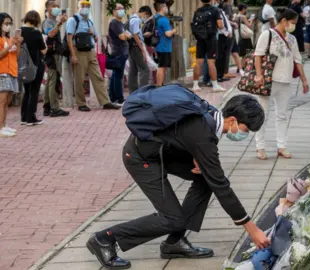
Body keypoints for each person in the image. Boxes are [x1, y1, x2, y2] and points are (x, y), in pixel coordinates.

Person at [86, 93, 270, 269]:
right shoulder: (203, 132)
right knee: (172, 219)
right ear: (232, 120)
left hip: (160, 152)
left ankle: (175, 242)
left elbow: (185, 136)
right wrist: (252, 229)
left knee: (206, 179)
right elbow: (221, 185)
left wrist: (196, 155)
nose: (244, 135)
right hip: (141, 158)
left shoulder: (211, 115)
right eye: (245, 130)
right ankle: (105, 238)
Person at [254, 8, 310, 160]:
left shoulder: (292, 39)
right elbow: (257, 56)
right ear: (284, 21)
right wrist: (259, 76)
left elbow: (298, 60)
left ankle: (282, 146)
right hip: (268, 81)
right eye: (292, 23)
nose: (294, 26)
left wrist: (304, 80)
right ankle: (260, 147)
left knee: (282, 115)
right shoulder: (268, 34)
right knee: (262, 114)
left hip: (285, 82)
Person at [66, 0, 120, 112]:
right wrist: (73, 55)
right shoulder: (73, 20)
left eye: (87, 6)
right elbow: (69, 38)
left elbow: (95, 38)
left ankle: (105, 101)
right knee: (79, 78)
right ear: (78, 7)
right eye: (83, 6)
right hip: (79, 52)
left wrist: (92, 34)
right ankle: (81, 103)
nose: (85, 8)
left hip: (90, 51)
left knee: (98, 77)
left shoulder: (89, 22)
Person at [42, 0, 70, 117]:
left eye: (58, 6)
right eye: (54, 6)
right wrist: (59, 24)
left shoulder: (53, 21)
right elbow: (51, 34)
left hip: (55, 53)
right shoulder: (48, 22)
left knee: (50, 80)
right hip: (51, 54)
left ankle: (47, 106)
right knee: (54, 80)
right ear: (48, 8)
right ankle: (54, 107)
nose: (57, 8)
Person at [192, 0, 225, 92]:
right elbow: (220, 25)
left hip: (200, 39)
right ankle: (215, 85)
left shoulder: (197, 11)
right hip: (211, 38)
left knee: (199, 62)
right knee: (211, 62)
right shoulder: (215, 10)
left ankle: (195, 85)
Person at [21, 10, 47, 126]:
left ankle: (23, 117)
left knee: (26, 91)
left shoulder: (19, 31)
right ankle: (31, 118)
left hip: (23, 65)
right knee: (34, 91)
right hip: (36, 65)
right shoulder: (36, 33)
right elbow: (43, 50)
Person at [0, 13, 22, 137]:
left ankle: (3, 124)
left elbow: (16, 56)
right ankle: (0, 127)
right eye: (5, 23)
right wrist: (10, 46)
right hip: (2, 72)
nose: (8, 26)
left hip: (12, 72)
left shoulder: (9, 39)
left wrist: (17, 43)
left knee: (7, 101)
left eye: (10, 24)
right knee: (1, 101)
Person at [108, 3, 131, 104]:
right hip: (118, 52)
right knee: (118, 75)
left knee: (115, 74)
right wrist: (127, 35)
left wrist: (126, 35)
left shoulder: (120, 23)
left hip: (122, 52)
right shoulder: (114, 23)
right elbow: (123, 36)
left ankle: (113, 97)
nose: (121, 10)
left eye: (122, 8)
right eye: (119, 9)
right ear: (114, 11)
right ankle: (119, 97)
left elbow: (126, 35)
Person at [127, 6, 150, 92]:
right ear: (144, 13)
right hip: (136, 47)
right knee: (145, 70)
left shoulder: (131, 19)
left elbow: (134, 34)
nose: (146, 18)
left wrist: (143, 35)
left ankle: (133, 92)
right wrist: (142, 49)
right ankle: (142, 92)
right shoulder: (136, 20)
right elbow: (136, 36)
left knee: (133, 70)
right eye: (147, 16)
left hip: (132, 47)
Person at [154, 1, 177, 86]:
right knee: (162, 67)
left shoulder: (155, 18)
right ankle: (159, 86)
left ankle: (160, 84)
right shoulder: (164, 20)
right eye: (166, 7)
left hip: (158, 46)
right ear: (162, 8)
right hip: (164, 46)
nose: (167, 8)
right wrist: (174, 30)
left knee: (161, 66)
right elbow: (168, 34)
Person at [215, 4, 233, 84]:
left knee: (224, 56)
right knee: (220, 57)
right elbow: (220, 26)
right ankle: (218, 75)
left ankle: (221, 75)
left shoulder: (222, 12)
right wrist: (227, 33)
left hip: (226, 36)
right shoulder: (218, 12)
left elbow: (226, 23)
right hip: (221, 36)